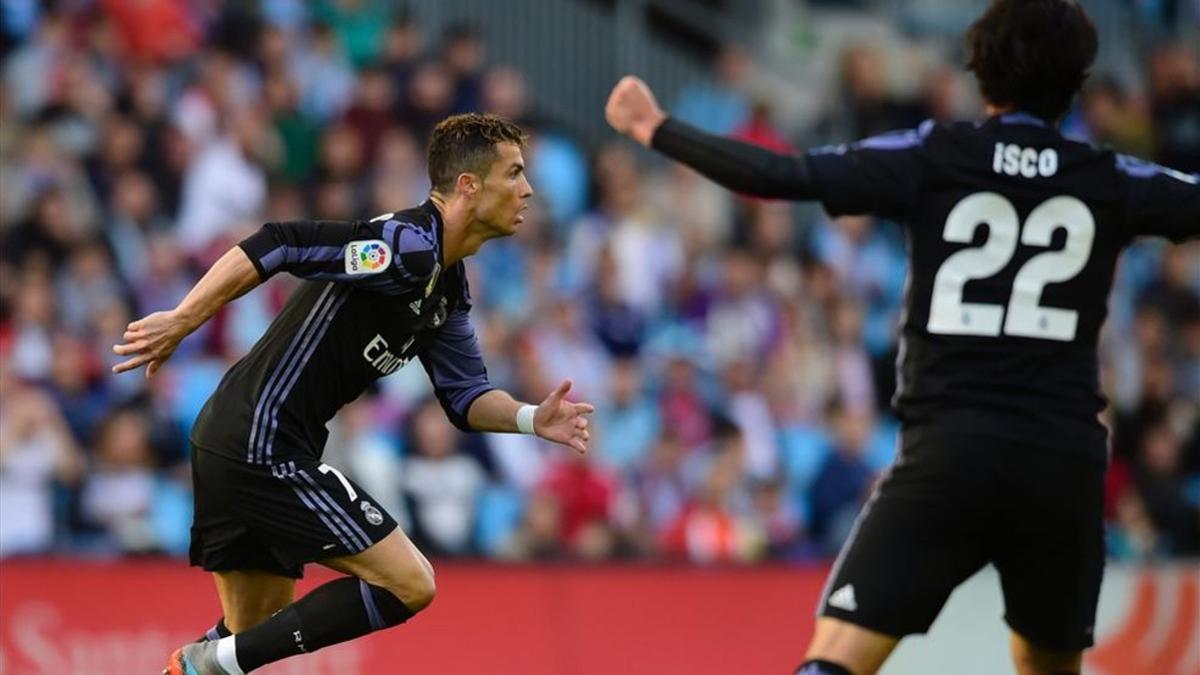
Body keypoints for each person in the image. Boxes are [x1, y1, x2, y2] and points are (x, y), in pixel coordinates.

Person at [604, 1, 1199, 674]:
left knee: (836, 657)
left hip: (950, 452)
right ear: (1078, 81)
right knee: (1048, 667)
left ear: (982, 73)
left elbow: (780, 175)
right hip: (1059, 460)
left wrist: (657, 129)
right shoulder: (1110, 178)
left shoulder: (935, 154)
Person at [112, 113, 595, 675]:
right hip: (261, 442)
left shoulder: (447, 285)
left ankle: (205, 663)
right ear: (468, 185)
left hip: (235, 439)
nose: (529, 189)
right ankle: (210, 661)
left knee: (248, 634)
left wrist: (534, 418)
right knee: (410, 583)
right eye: (514, 173)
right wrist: (183, 319)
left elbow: (465, 398)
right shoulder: (404, 248)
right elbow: (282, 242)